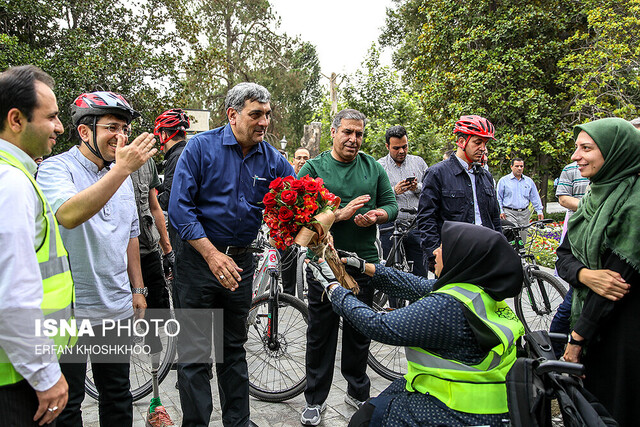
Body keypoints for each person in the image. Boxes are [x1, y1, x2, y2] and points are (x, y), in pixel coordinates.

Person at [308, 221, 524, 426]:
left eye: (442, 247)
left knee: (365, 419)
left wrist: (334, 289)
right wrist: (364, 266)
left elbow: (378, 325)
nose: (435, 252)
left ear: (462, 257)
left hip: (461, 411)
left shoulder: (445, 308)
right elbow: (416, 285)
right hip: (491, 402)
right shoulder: (477, 290)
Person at [169, 82, 294, 427]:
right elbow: (179, 210)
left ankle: (238, 423)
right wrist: (211, 254)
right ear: (233, 115)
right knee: (194, 355)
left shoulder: (273, 160)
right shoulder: (199, 149)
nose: (264, 122)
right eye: (256, 114)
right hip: (197, 262)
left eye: (268, 115)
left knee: (233, 349)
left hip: (239, 264)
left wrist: (323, 222)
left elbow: (299, 204)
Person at [37, 90, 156, 426]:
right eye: (112, 128)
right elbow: (69, 215)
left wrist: (139, 288)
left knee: (118, 395)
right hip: (69, 311)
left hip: (115, 308)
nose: (120, 137)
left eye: (124, 129)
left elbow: (131, 233)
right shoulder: (57, 169)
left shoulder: (121, 173)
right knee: (68, 403)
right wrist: (121, 170)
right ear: (85, 131)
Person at [297, 109, 398, 426]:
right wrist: (339, 215)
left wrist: (375, 216)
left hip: (364, 264)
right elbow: (301, 225)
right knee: (320, 334)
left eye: (359, 134)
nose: (354, 139)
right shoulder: (313, 169)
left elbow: (391, 205)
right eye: (348, 132)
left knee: (359, 332)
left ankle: (357, 390)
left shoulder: (372, 167)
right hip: (324, 265)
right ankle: (315, 400)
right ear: (333, 132)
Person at [0, 65, 74, 427]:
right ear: (16, 119)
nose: (59, 127)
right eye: (52, 117)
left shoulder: (16, 175)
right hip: (17, 382)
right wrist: (45, 375)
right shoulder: (11, 183)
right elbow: (12, 294)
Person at [556, 118, 639, 426]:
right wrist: (584, 275)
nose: (576, 156)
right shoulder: (594, 196)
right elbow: (563, 255)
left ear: (616, 152)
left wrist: (576, 341)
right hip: (595, 329)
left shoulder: (634, 204)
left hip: (623, 335)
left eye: (586, 148)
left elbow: (614, 288)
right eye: (577, 147)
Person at [417, 115, 501, 272]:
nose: (483, 148)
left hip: (485, 255)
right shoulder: (437, 173)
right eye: (478, 142)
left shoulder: (485, 176)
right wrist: (434, 254)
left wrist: (500, 247)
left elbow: (494, 217)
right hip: (453, 259)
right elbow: (426, 218)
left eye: (485, 143)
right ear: (462, 142)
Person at [548, 160, 590, 355]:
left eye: (586, 147)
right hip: (578, 239)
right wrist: (591, 206)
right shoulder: (572, 169)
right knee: (568, 308)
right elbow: (563, 199)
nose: (578, 155)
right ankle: (553, 354)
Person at [377, 125, 428, 277]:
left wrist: (416, 187)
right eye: (396, 148)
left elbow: (432, 190)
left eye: (404, 147)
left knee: (420, 273)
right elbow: (374, 197)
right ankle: (394, 302)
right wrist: (393, 192)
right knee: (392, 275)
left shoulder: (418, 163)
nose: (401, 151)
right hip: (389, 226)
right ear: (387, 146)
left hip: (416, 224)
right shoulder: (379, 167)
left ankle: (420, 301)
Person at [496, 158, 544, 243]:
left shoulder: (528, 181)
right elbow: (498, 198)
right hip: (509, 213)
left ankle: (521, 256)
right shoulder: (504, 181)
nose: (519, 168)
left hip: (524, 213)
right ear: (511, 167)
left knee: (522, 239)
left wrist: (539, 211)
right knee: (512, 235)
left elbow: (534, 197)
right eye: (517, 166)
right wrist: (500, 211)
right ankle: (511, 254)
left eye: (521, 166)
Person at [155, 108, 190, 213]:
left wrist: (151, 204)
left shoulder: (176, 157)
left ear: (164, 134)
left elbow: (170, 198)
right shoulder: (189, 151)